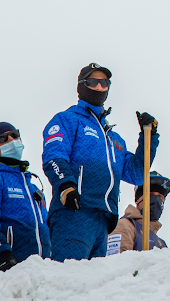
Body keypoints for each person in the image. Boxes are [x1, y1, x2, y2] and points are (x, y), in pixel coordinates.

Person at [42, 62, 158, 261]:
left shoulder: (114, 139)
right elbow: (54, 156)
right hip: (74, 212)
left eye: (104, 83)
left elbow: (138, 174)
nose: (99, 87)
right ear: (81, 86)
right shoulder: (67, 120)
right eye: (93, 82)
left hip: (104, 220)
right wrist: (66, 186)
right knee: (69, 278)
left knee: (94, 286)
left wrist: (149, 137)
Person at [0, 122, 51, 275]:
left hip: (40, 271)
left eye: (14, 135)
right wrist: (2, 253)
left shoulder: (33, 187)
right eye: (3, 138)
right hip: (5, 271)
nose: (11, 140)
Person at [114, 172, 170, 252]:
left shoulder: (161, 243)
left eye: (160, 197)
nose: (156, 200)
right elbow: (116, 261)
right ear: (138, 200)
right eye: (150, 195)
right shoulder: (126, 226)